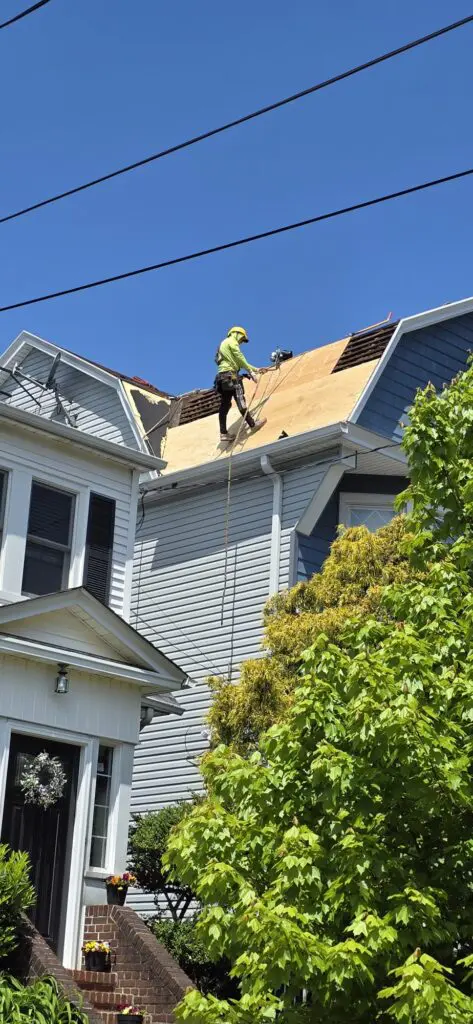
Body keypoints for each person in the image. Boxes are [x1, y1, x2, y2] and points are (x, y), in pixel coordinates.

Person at [214, 326, 267, 442]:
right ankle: (253, 424)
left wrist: (256, 369)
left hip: (222, 378)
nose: (241, 342)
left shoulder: (223, 344)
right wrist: (251, 371)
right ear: (236, 333)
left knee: (224, 405)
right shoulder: (231, 342)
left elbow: (237, 362)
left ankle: (223, 433)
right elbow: (239, 357)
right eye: (242, 338)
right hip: (231, 377)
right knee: (240, 401)